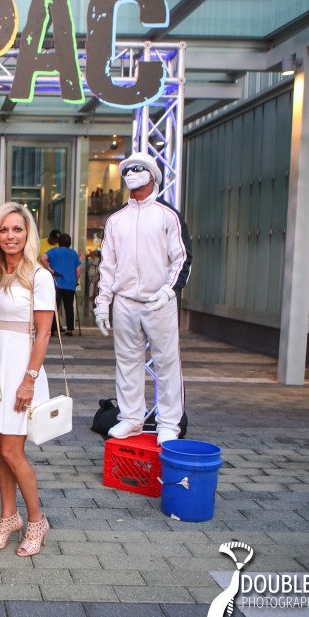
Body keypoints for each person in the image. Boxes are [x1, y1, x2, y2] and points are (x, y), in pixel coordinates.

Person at [94, 151, 189, 446]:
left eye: (137, 168)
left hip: (158, 300)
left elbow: (182, 258)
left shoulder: (167, 215)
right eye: (126, 170)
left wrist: (168, 291)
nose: (130, 174)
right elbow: (107, 266)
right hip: (124, 301)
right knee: (126, 362)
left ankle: (169, 422)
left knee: (166, 362)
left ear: (153, 174)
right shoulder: (115, 220)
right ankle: (131, 417)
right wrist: (102, 303)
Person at [0, 202, 53, 557]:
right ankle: (9, 517)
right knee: (1, 449)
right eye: (4, 230)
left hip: (22, 369)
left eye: (17, 230)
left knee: (12, 450)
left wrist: (29, 380)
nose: (10, 236)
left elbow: (43, 334)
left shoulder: (39, 276)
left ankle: (37, 520)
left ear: (28, 234)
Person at [43, 233, 81, 335]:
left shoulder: (54, 251)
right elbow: (78, 269)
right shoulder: (74, 253)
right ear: (70, 243)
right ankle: (70, 329)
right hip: (70, 283)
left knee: (55, 306)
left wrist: (49, 269)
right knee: (69, 307)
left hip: (56, 283)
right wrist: (75, 280)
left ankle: (52, 329)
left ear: (59, 242)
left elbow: (43, 258)